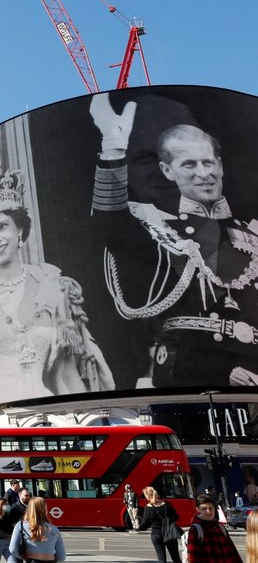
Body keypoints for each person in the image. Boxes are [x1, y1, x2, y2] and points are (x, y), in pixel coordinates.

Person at [89, 93, 258, 388]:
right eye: (189, 165)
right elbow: (110, 227)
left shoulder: (252, 233)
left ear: (220, 165)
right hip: (199, 376)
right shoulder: (162, 233)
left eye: (208, 162)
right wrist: (113, 148)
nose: (203, 173)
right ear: (168, 171)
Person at [0, 155, 115, 408]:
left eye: (3, 226)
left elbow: (67, 373)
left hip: (43, 414)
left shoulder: (51, 287)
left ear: (19, 230)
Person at [187, 493, 242, 563]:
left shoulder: (220, 527)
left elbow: (232, 551)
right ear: (198, 509)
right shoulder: (196, 529)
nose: (208, 512)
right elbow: (193, 557)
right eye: (204, 509)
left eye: (210, 508)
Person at [10, 497, 66, 563]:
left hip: (32, 560)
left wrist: (23, 557)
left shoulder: (21, 525)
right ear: (45, 510)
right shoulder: (54, 528)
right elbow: (61, 557)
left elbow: (13, 549)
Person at [137, 486, 181, 562]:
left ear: (147, 496)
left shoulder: (148, 508)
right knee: (176, 558)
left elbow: (145, 525)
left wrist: (139, 527)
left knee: (161, 559)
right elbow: (176, 517)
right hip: (169, 533)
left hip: (156, 534)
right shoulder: (166, 504)